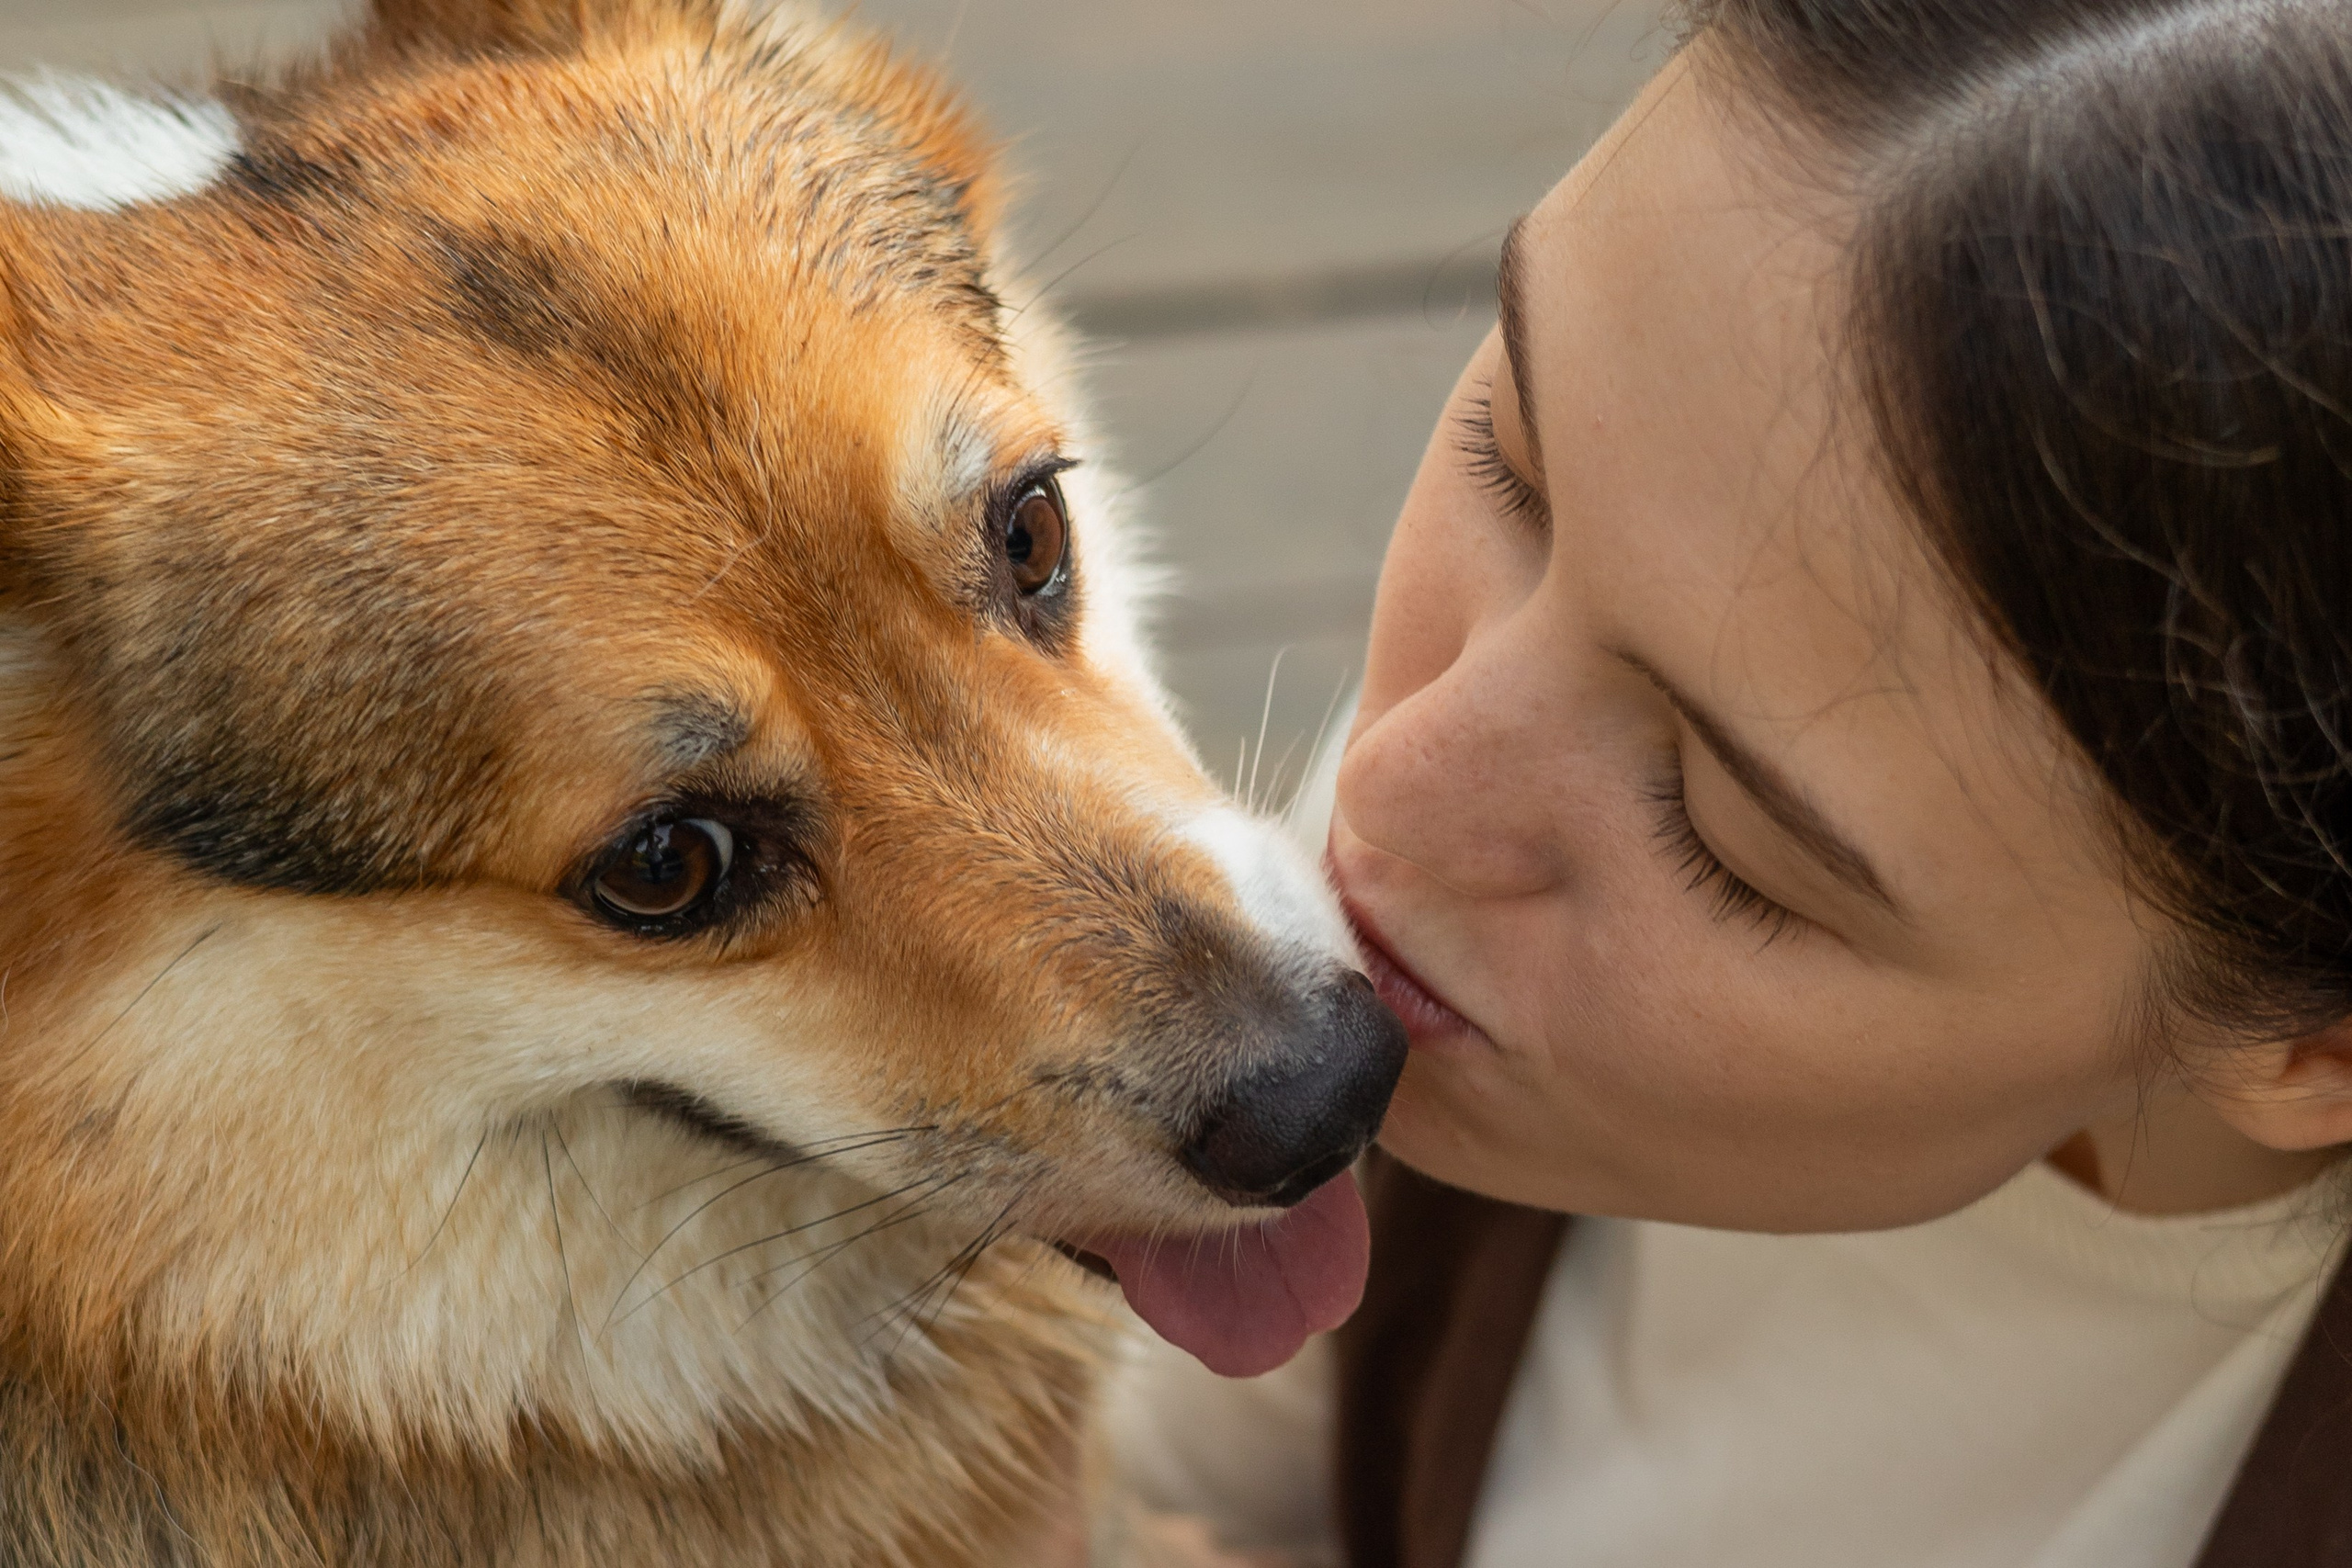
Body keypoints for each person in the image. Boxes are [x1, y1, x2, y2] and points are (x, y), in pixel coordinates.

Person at [1101, 1, 2352, 1564]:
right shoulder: (1503, 755)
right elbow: (1162, 1473)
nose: (1395, 783)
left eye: (1723, 842)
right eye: (1514, 468)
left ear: (2314, 1046)